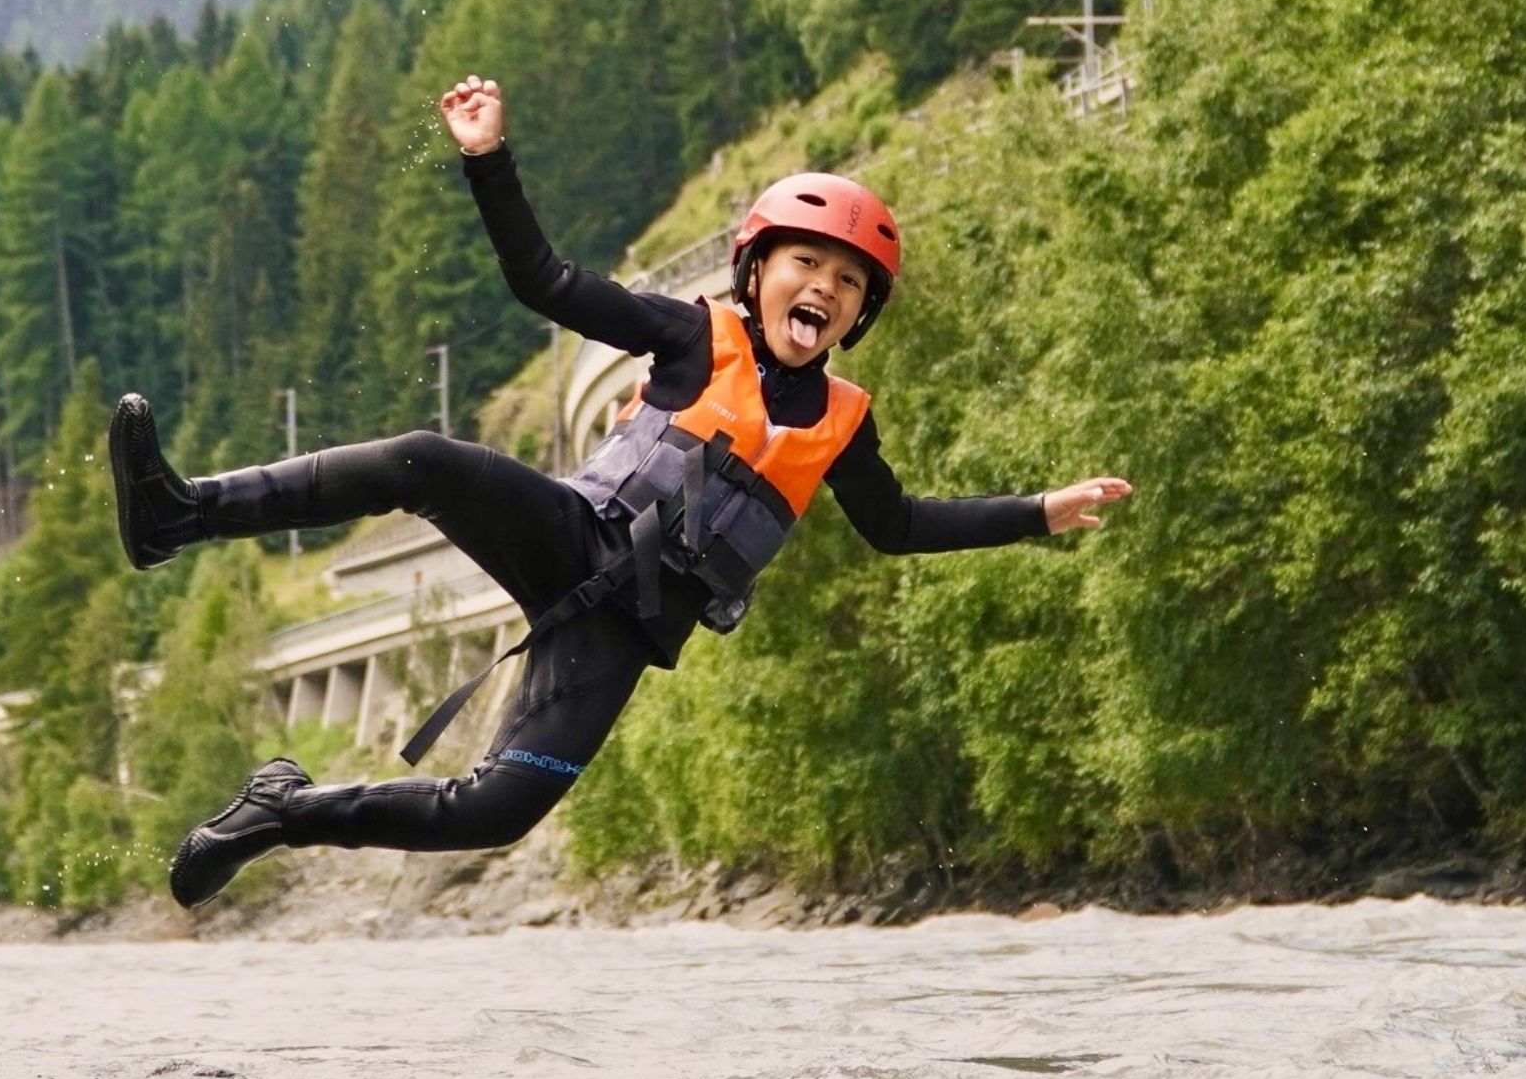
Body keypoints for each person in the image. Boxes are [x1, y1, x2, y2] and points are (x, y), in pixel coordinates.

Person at [109, 75, 1132, 909]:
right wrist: (486, 159)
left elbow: (898, 526)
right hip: (571, 533)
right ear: (756, 270)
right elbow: (545, 284)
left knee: (496, 812)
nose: (822, 286)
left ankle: (279, 811)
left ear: (858, 313)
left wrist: (1038, 512)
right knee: (420, 458)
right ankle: (181, 512)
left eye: (847, 280)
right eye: (804, 263)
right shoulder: (692, 336)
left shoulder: (844, 422)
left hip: (621, 630)